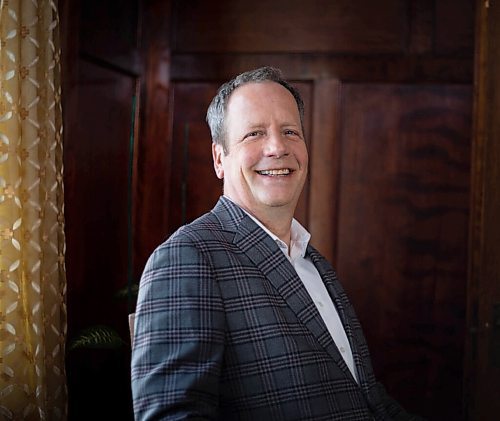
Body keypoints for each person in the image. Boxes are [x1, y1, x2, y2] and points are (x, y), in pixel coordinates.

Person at [131, 66, 423, 420]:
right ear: (219, 158)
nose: (277, 147)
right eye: (254, 134)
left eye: (290, 131)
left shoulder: (313, 262)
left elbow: (369, 399)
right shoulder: (187, 258)